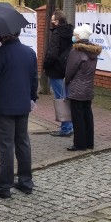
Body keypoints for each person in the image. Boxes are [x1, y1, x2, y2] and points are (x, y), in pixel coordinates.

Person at [0, 31, 38, 199]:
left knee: (6, 146)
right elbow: (34, 78)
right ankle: (26, 181)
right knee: (23, 142)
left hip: (4, 106)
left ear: (3, 35)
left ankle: (4, 185)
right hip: (23, 104)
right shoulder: (30, 52)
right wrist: (31, 98)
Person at [64, 24, 101, 152]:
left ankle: (79, 144)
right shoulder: (93, 51)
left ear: (78, 36)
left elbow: (70, 70)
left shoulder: (76, 51)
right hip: (88, 87)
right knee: (87, 115)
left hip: (77, 88)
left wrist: (66, 82)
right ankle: (89, 142)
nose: (73, 37)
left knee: (77, 117)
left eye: (75, 35)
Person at [43, 9, 74, 137]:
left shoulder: (56, 34)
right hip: (67, 69)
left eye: (52, 20)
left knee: (60, 99)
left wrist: (45, 65)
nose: (51, 22)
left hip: (56, 71)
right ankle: (69, 125)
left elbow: (52, 53)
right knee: (66, 97)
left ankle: (66, 127)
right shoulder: (70, 32)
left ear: (57, 21)